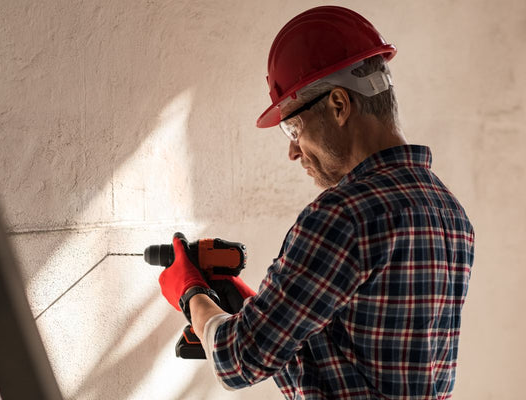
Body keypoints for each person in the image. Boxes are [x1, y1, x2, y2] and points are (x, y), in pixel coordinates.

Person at [158, 6, 475, 399]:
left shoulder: (343, 216)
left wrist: (191, 295)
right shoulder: (446, 209)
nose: (293, 150)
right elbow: (347, 356)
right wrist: (257, 309)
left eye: (293, 126)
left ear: (339, 105)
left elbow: (234, 361)